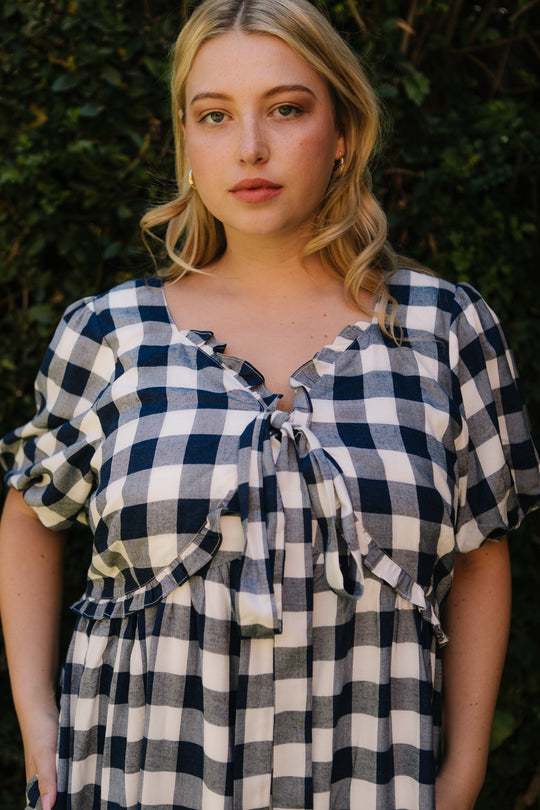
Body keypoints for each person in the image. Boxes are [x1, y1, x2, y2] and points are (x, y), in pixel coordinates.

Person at [0, 0, 539, 808]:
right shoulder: (111, 332)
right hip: (138, 774)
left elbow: (482, 556)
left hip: (376, 781)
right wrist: (40, 724)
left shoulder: (443, 329)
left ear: (345, 132)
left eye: (286, 109)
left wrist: (460, 777)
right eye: (214, 116)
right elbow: (29, 515)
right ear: (187, 142)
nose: (250, 147)